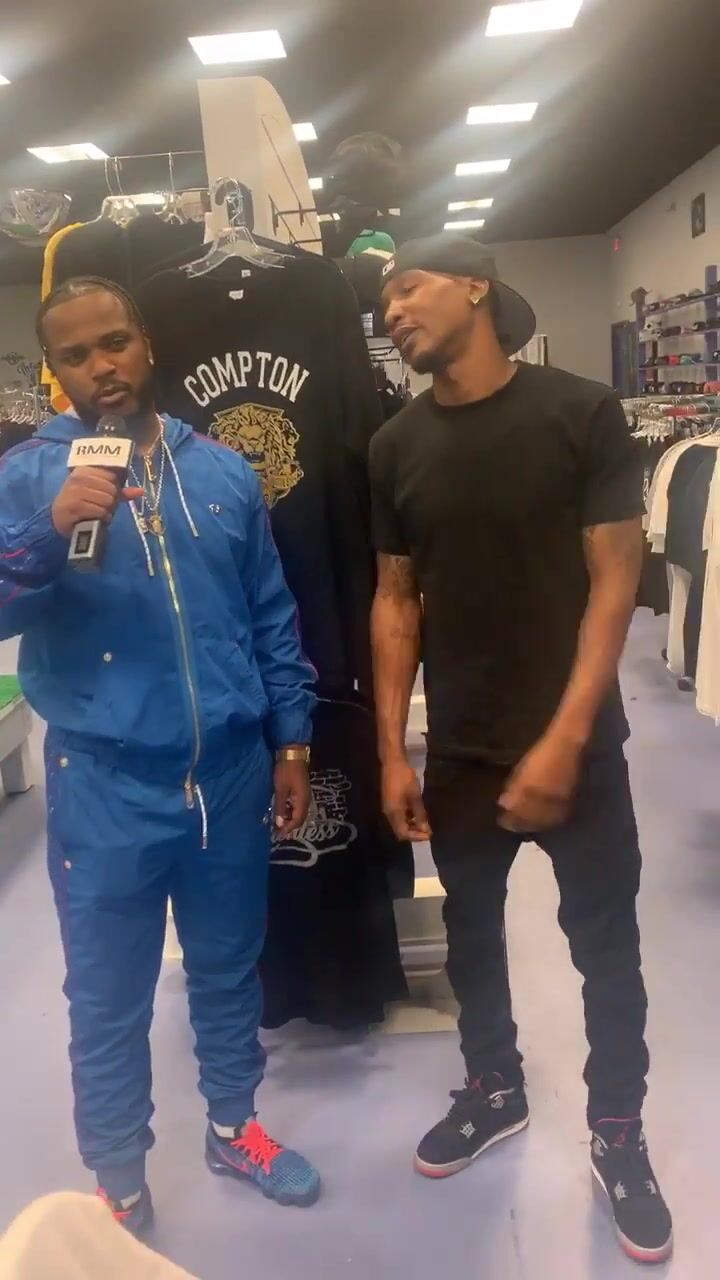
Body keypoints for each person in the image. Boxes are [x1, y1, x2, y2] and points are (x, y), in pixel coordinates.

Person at [369, 234, 673, 1266]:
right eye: (383, 299)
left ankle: (619, 1130)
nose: (392, 310)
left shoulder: (581, 412)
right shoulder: (395, 444)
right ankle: (494, 1085)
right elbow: (396, 598)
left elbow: (615, 577)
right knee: (471, 936)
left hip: (576, 747)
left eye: (406, 286)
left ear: (475, 287)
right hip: (461, 747)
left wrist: (565, 737)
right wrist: (392, 750)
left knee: (606, 947)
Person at [0, 277, 321, 1233]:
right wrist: (48, 532)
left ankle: (233, 1126)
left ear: (145, 343)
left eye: (114, 342)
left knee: (227, 967)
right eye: (75, 355)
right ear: (54, 372)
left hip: (227, 774)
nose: (101, 366)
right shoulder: (27, 478)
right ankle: (119, 1178)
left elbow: (270, 614)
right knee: (108, 994)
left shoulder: (222, 472)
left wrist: (292, 739)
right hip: (104, 784)